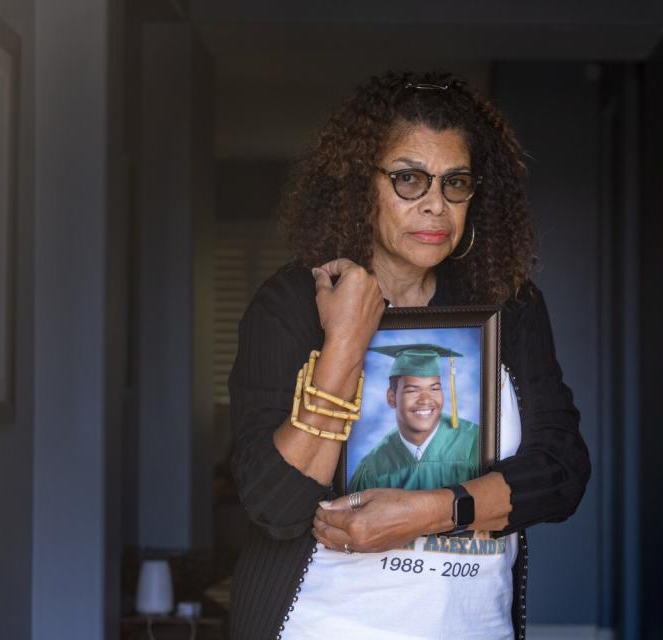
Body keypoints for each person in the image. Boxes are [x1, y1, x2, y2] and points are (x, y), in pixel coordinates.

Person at [228, 71, 590, 640]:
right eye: (408, 180)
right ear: (357, 186)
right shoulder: (290, 306)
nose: (436, 206)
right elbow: (275, 506)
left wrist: (427, 513)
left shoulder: (510, 307)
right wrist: (345, 341)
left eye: (455, 183)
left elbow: (563, 471)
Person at [348, 344, 480, 493]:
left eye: (434, 388)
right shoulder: (373, 467)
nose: (425, 400)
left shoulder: (474, 443)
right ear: (392, 398)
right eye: (412, 390)